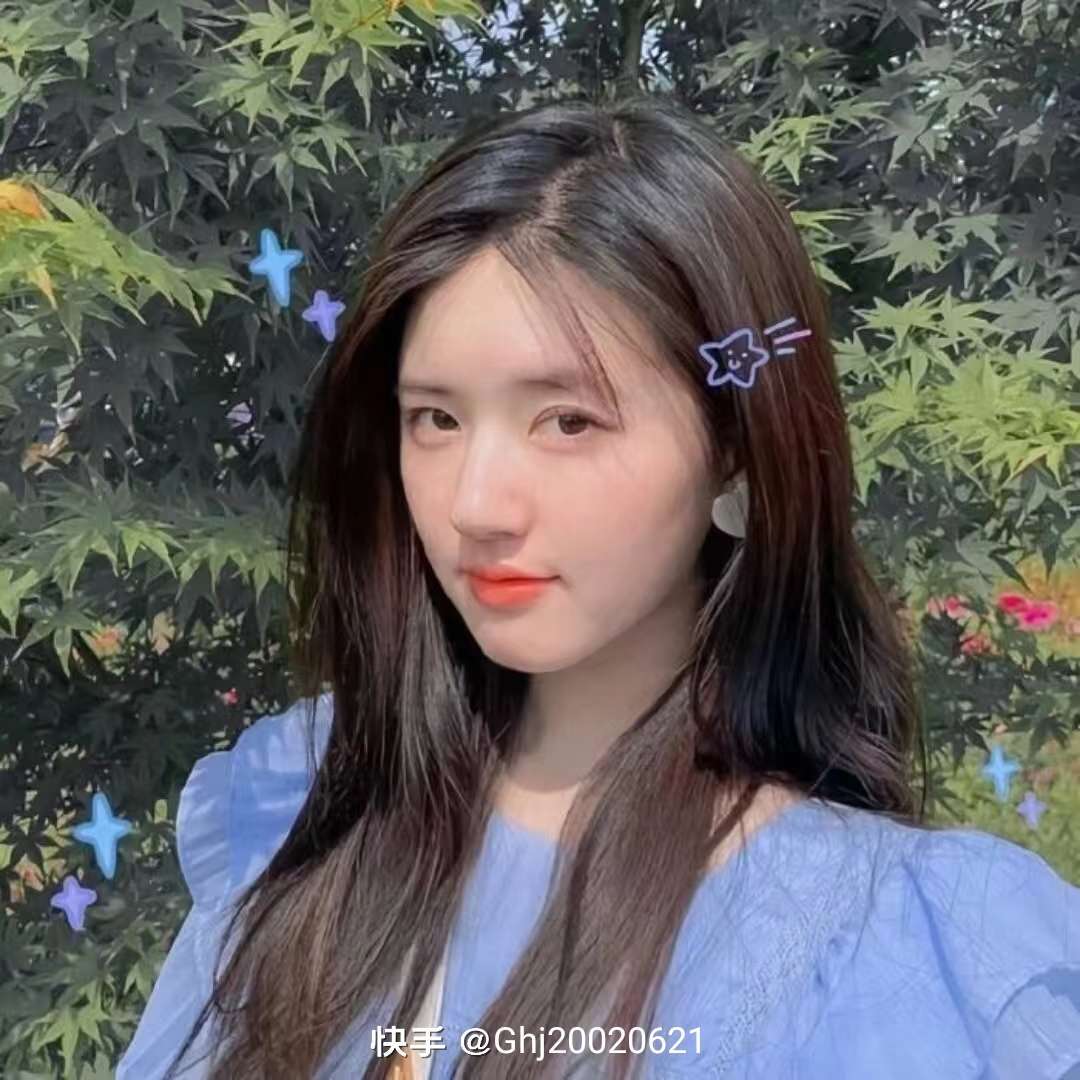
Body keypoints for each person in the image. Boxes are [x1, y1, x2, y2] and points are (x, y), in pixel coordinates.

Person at [116, 96, 1080, 1080]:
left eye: (568, 422)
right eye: (435, 420)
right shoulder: (309, 813)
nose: (476, 505)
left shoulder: (910, 952)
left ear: (734, 450)